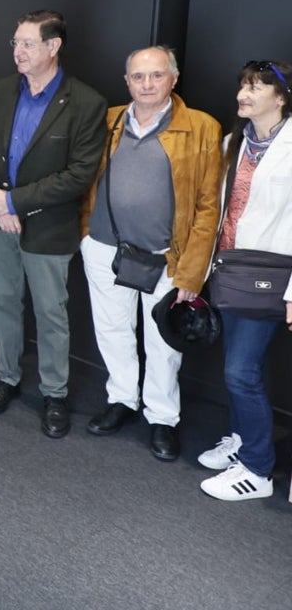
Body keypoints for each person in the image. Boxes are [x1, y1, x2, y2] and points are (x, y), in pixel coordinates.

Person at [79, 47, 222, 461]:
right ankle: (122, 399)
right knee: (112, 329)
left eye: (156, 75)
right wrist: (86, 234)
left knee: (163, 341)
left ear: (173, 79)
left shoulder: (201, 128)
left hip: (166, 258)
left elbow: (208, 207)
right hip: (105, 248)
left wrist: (192, 274)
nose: (146, 84)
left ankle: (162, 417)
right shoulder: (108, 121)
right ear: (127, 81)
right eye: (138, 77)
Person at [0, 10, 107, 438]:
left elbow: (78, 175)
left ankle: (54, 394)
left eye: (27, 43)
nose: (18, 52)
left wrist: (13, 201)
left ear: (54, 46)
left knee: (51, 314)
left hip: (48, 228)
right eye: (15, 43)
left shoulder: (85, 102)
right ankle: (7, 377)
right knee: (3, 304)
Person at [197, 60, 292, 501]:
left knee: (241, 371)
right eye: (242, 85)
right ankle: (241, 441)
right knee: (235, 365)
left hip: (271, 277)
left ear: (281, 97)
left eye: (256, 87)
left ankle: (257, 469)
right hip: (230, 269)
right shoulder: (234, 141)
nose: (244, 94)